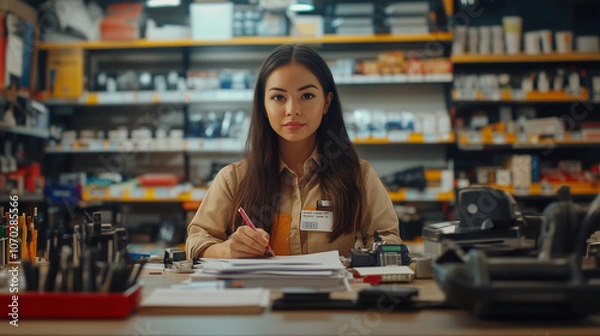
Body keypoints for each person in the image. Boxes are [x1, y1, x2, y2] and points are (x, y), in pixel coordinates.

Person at [186, 44, 401, 259]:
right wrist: (225, 250)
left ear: (327, 102)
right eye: (278, 97)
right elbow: (197, 240)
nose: (292, 110)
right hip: (261, 292)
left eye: (306, 96)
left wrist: (371, 257)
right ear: (263, 105)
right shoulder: (233, 179)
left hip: (334, 293)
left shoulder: (359, 177)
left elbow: (387, 240)